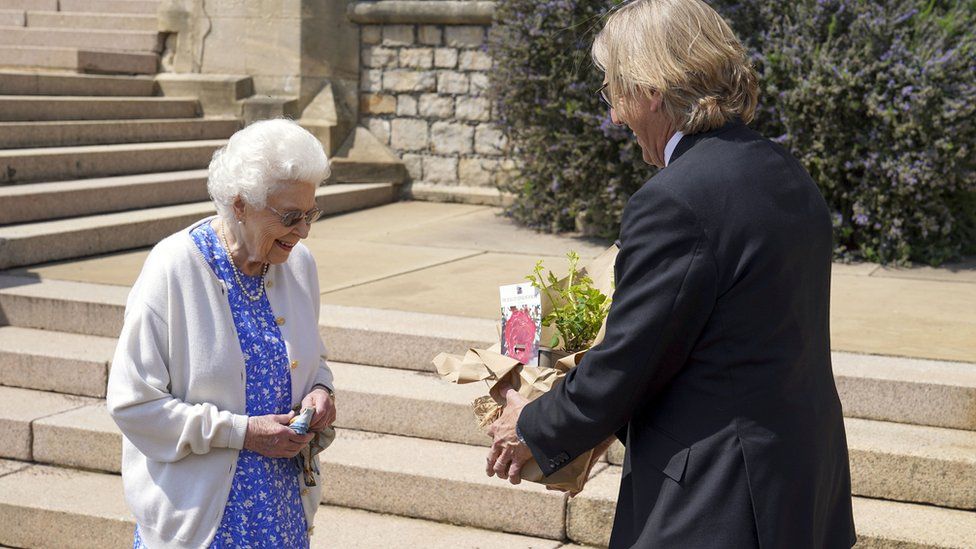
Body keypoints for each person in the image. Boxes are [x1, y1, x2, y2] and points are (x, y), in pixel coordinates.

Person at [485, 1, 857, 547]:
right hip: (801, 484)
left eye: (615, 89)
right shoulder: (785, 171)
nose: (614, 114)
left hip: (720, 500)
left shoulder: (676, 200)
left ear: (652, 91)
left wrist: (532, 423)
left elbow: (631, 361)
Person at [107, 119, 337, 549]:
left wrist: (320, 391)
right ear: (240, 205)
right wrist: (242, 432)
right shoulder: (174, 267)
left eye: (311, 214)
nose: (303, 230)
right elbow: (132, 404)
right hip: (198, 526)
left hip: (282, 514)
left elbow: (313, 360)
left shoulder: (298, 264)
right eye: (290, 216)